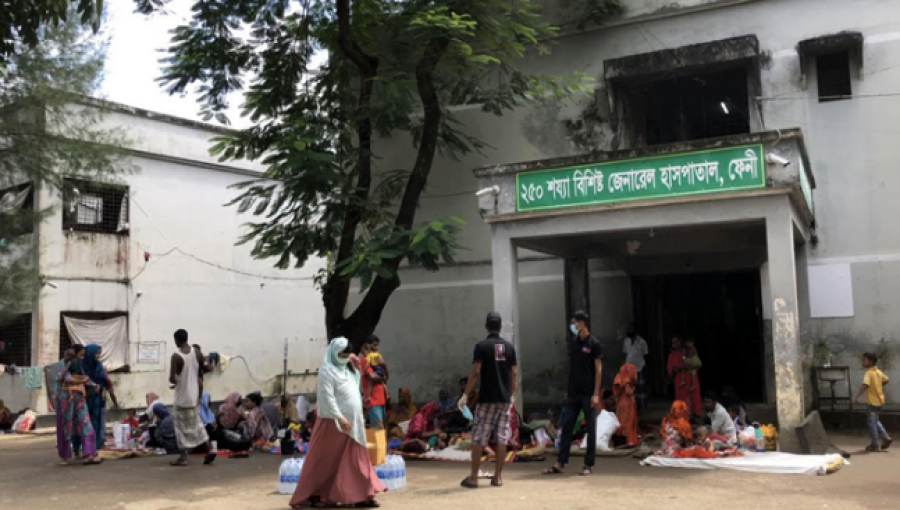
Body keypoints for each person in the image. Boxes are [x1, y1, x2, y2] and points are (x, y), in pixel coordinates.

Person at [290, 337, 385, 508]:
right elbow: (327, 396)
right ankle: (315, 494)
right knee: (325, 459)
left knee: (357, 459)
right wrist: (339, 417)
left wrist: (354, 362)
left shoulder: (349, 369)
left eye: (347, 354)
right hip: (332, 423)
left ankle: (362, 495)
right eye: (341, 354)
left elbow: (357, 384)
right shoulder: (327, 370)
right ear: (333, 353)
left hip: (354, 423)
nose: (344, 357)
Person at [459, 311, 518, 489]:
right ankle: (498, 477)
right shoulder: (509, 348)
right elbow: (513, 373)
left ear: (486, 326)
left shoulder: (481, 346)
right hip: (504, 399)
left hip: (487, 399)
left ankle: (474, 478)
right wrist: (510, 393)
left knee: (478, 437)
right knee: (501, 437)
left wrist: (465, 395)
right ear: (500, 327)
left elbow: (475, 372)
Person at [544, 310, 602, 477]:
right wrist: (568, 391)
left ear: (582, 323)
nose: (573, 325)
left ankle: (588, 464)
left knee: (590, 428)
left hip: (588, 393)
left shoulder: (594, 344)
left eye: (575, 322)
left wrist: (596, 393)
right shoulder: (574, 343)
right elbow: (572, 368)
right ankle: (561, 462)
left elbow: (598, 369)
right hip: (574, 393)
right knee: (567, 426)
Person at [47, 347, 103, 465]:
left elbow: (84, 379)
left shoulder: (79, 365)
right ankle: (64, 455)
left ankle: (88, 453)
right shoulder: (61, 365)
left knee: (85, 423)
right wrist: (81, 380)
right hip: (65, 399)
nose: (81, 358)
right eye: (80, 355)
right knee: (66, 427)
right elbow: (65, 378)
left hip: (79, 397)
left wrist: (93, 384)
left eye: (83, 356)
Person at [168, 329, 216, 466]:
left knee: (180, 428)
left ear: (177, 340)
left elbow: (172, 378)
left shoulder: (176, 356)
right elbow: (206, 368)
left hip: (181, 398)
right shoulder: (197, 353)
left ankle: (183, 457)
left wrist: (178, 380)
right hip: (194, 397)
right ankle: (209, 449)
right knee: (198, 425)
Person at [82, 343, 120, 451]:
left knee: (97, 421)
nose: (98, 356)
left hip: (98, 398)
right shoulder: (82, 366)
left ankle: (95, 444)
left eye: (99, 353)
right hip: (85, 397)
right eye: (96, 353)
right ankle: (85, 445)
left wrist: (102, 389)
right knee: (84, 421)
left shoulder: (99, 366)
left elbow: (105, 382)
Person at [854, 352, 892, 452]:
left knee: (871, 423)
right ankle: (885, 437)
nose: (862, 362)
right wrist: (878, 385)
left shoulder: (869, 373)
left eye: (864, 360)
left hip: (871, 402)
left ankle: (875, 444)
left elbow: (865, 385)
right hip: (880, 401)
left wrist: (858, 396)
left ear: (870, 362)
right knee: (875, 421)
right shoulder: (878, 372)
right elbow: (886, 379)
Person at [667, 337, 702, 416]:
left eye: (677, 341)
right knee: (682, 400)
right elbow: (671, 370)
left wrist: (689, 365)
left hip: (692, 378)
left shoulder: (689, 350)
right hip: (680, 380)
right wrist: (680, 367)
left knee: (694, 397)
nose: (676, 344)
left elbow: (697, 363)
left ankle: (695, 415)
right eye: (673, 342)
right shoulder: (671, 356)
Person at [622, 324, 649, 411]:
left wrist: (644, 365)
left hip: (639, 367)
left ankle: (642, 407)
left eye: (630, 329)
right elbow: (626, 354)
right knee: (630, 388)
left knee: (640, 389)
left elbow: (646, 355)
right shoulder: (626, 341)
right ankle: (632, 407)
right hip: (628, 368)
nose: (629, 330)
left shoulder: (642, 342)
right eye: (628, 329)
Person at [612, 363, 639, 447]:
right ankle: (630, 440)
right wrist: (633, 389)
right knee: (629, 422)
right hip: (627, 403)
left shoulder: (620, 377)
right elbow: (628, 392)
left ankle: (623, 440)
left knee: (622, 421)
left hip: (621, 403)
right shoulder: (626, 381)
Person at [364, 362, 388, 429]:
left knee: (381, 427)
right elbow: (372, 378)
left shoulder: (378, 369)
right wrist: (381, 377)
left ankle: (380, 439)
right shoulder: (367, 363)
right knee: (377, 427)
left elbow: (385, 379)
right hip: (374, 404)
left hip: (380, 403)